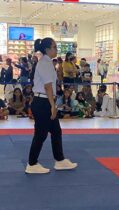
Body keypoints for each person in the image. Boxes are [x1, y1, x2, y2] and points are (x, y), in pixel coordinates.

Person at [26, 38, 77, 174]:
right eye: (54, 47)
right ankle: (31, 163)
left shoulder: (47, 62)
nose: (56, 49)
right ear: (48, 49)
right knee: (41, 134)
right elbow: (48, 86)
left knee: (56, 131)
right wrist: (53, 106)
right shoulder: (44, 63)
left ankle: (60, 160)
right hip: (43, 102)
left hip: (45, 101)